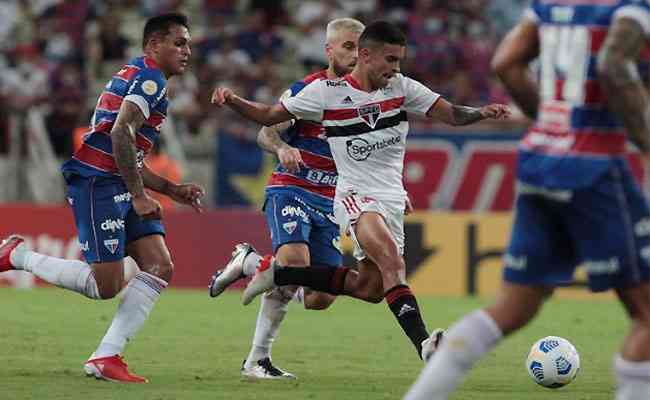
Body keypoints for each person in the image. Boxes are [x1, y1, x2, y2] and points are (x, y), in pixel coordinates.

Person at [210, 21, 509, 364]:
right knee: (392, 263)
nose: (396, 68)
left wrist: (481, 113)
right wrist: (232, 100)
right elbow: (269, 115)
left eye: (399, 60)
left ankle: (266, 268)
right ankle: (426, 346)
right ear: (366, 56)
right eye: (390, 59)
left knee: (370, 289)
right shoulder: (324, 92)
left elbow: (453, 115)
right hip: (354, 194)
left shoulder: (401, 88)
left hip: (390, 197)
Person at [402, 1, 650, 399]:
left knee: (512, 308)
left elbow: (506, 61)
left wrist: (551, 122)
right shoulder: (629, 9)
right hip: (595, 166)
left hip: (540, 160)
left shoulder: (548, 6)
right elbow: (613, 66)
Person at [0, 13, 204, 383]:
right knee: (104, 286)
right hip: (98, 184)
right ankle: (17, 255)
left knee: (159, 265)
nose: (186, 51)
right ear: (153, 45)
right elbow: (121, 135)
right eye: (178, 42)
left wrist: (171, 189)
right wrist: (141, 196)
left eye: (187, 43)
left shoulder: (138, 74)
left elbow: (128, 152)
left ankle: (106, 357)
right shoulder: (150, 78)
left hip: (117, 179)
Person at [208, 18, 389, 379]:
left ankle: (249, 264)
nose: (354, 55)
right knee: (293, 262)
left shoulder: (374, 99)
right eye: (347, 47)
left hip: (330, 202)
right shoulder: (310, 89)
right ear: (329, 50)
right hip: (292, 188)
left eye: (360, 48)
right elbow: (266, 131)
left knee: (320, 297)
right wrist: (282, 147)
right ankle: (257, 360)